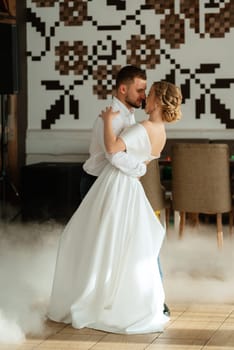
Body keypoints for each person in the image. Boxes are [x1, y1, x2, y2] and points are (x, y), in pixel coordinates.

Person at [47, 80, 182, 334]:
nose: (145, 98)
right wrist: (138, 167)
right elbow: (139, 161)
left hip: (117, 186)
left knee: (98, 240)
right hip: (131, 187)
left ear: (158, 101)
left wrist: (108, 120)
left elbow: (112, 149)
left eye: (149, 94)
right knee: (122, 243)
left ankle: (100, 296)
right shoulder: (161, 133)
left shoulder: (143, 127)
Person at [80, 65, 148, 200]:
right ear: (123, 89)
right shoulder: (111, 118)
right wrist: (142, 167)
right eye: (139, 91)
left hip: (114, 181)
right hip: (96, 182)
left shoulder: (129, 114)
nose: (143, 96)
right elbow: (114, 156)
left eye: (144, 91)